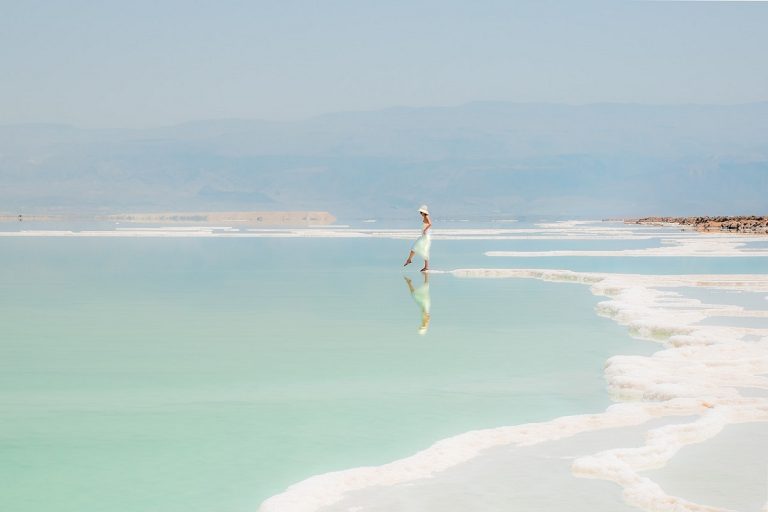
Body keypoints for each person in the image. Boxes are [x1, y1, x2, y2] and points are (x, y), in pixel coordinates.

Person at [403, 205, 432, 272]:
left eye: (421, 212)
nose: (420, 214)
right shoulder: (425, 217)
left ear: (423, 212)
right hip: (423, 236)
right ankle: (409, 260)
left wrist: (425, 230)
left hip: (425, 237)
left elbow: (430, 224)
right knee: (415, 248)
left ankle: (426, 266)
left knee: (419, 249)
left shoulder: (426, 216)